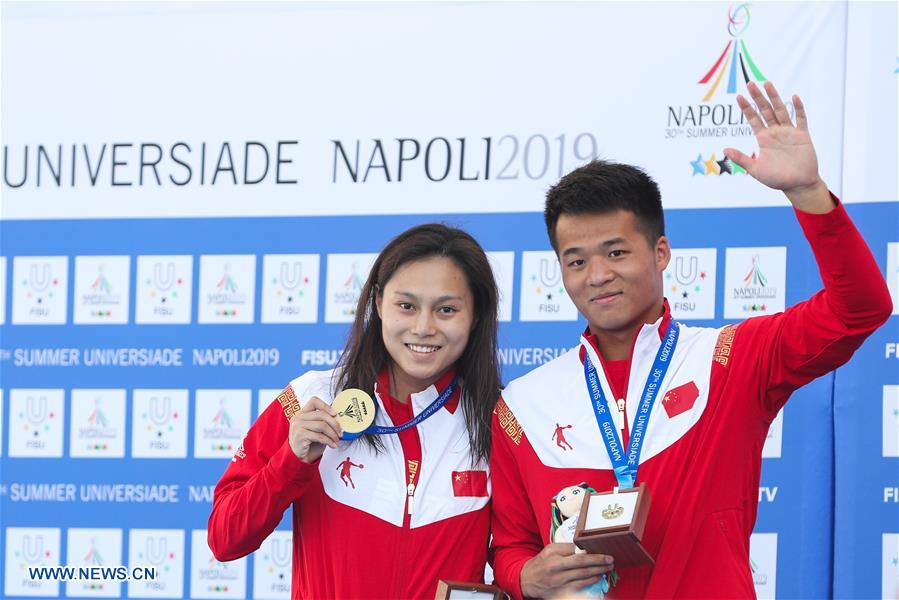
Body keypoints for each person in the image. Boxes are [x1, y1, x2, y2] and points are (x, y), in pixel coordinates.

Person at [489, 81, 892, 599]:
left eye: (616, 252)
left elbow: (860, 307)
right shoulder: (523, 405)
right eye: (577, 260)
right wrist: (524, 576)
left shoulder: (733, 359)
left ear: (660, 252)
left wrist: (807, 194)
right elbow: (509, 547)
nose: (597, 275)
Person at [208, 224, 501, 599]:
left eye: (446, 309)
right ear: (378, 303)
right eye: (406, 306)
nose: (424, 327)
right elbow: (224, 539)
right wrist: (291, 462)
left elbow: (516, 556)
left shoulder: (495, 419)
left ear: (475, 315)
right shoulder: (312, 398)